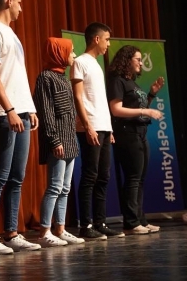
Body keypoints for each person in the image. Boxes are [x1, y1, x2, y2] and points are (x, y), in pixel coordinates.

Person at [0, 0, 41, 256]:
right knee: (0, 176)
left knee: (17, 177)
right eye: (19, 2)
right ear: (8, 1)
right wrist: (10, 109)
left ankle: (12, 233)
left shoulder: (11, 33)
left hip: (21, 111)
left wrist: (29, 108)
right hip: (4, 113)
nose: (21, 8)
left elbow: (16, 76)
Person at [72, 22, 123, 240]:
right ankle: (86, 224)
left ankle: (100, 222)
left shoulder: (96, 64)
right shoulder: (80, 62)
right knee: (90, 175)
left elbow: (99, 100)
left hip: (103, 127)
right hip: (90, 126)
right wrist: (87, 126)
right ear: (96, 39)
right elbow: (78, 97)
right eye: (107, 39)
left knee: (104, 176)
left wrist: (109, 129)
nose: (108, 44)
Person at [32, 37, 85, 248]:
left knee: (65, 188)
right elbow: (46, 113)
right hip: (58, 140)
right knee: (54, 187)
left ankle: (60, 229)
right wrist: (54, 140)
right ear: (59, 53)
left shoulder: (63, 77)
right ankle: (45, 231)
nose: (74, 55)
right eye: (71, 51)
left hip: (69, 139)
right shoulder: (45, 78)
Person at [107, 45, 164, 236]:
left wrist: (151, 94)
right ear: (127, 60)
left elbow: (139, 107)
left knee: (139, 179)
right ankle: (130, 223)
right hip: (127, 133)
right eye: (137, 59)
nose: (141, 63)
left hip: (140, 133)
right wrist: (145, 111)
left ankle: (140, 220)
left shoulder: (132, 83)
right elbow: (116, 110)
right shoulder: (117, 81)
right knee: (133, 178)